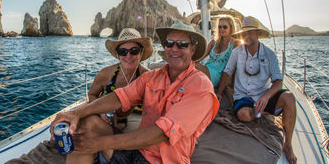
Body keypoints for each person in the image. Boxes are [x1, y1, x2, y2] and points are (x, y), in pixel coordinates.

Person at [50, 20, 219, 164]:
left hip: (162, 160)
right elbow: (120, 96)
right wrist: (75, 113)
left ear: (193, 49)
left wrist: (99, 143)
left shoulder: (201, 86)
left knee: (89, 142)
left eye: (182, 44)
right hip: (137, 150)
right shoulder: (153, 77)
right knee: (86, 125)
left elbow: (163, 132)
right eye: (169, 43)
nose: (174, 49)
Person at [216, 16, 297, 164]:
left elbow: (278, 81)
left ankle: (288, 144)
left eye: (250, 32)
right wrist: (220, 93)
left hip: (262, 94)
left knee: (289, 98)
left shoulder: (269, 54)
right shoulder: (237, 52)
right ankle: (263, 112)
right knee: (244, 115)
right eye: (244, 33)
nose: (246, 36)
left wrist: (266, 96)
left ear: (258, 34)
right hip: (243, 97)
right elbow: (227, 72)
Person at [87, 28, 152, 131]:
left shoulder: (147, 76)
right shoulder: (105, 73)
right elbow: (91, 94)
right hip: (100, 115)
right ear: (118, 54)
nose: (128, 56)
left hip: (122, 120)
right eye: (123, 52)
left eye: (134, 51)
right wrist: (101, 112)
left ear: (141, 52)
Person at [196, 15, 240, 87]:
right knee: (189, 66)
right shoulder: (214, 42)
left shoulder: (235, 44)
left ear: (231, 28)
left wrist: (233, 83)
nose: (221, 29)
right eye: (220, 27)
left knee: (192, 66)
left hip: (219, 75)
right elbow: (201, 56)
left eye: (225, 27)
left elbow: (235, 65)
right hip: (206, 69)